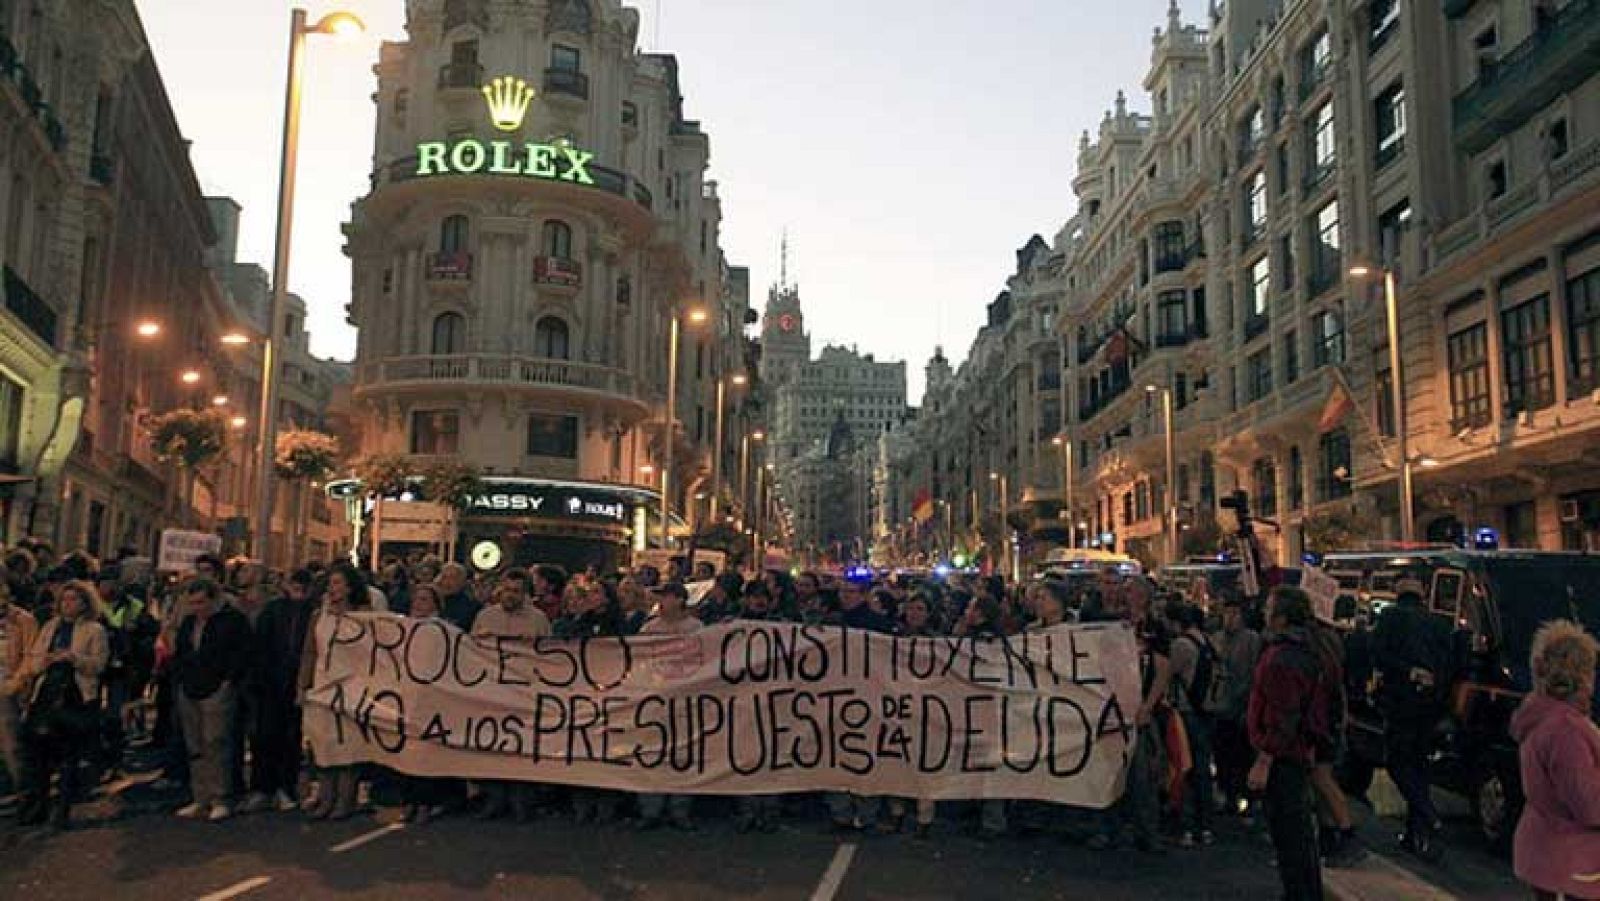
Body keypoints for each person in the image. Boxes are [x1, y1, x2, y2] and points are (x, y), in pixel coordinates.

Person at [1248, 587, 1332, 901]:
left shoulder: (1282, 659)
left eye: (1269, 608)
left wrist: (1264, 759)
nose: (1264, 613)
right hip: (1298, 751)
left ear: (1282, 617)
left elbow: (1284, 715)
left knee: (1290, 836)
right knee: (1297, 836)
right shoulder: (1309, 650)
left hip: (1283, 756)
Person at [1511, 620, 1600, 901]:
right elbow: (1587, 803)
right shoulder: (1567, 730)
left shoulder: (1541, 717)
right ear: (1581, 675)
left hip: (1547, 849)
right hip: (1574, 861)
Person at [1370, 579, 1454, 862]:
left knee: (1397, 762)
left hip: (1400, 701)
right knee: (1419, 765)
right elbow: (1450, 661)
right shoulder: (1438, 623)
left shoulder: (1390, 618)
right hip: (1431, 705)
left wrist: (1407, 672)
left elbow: (1378, 655)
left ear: (1398, 595)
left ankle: (1429, 817)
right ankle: (1415, 833)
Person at [17, 581, 108, 828]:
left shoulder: (94, 630)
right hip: (47, 692)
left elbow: (98, 665)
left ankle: (63, 807)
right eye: (65, 599)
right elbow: (34, 659)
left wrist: (74, 658)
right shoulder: (50, 627)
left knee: (69, 754)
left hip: (76, 695)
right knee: (39, 753)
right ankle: (38, 806)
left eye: (74, 600)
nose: (68, 604)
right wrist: (43, 661)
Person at [169, 576, 252, 822]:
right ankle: (200, 796)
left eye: (201, 602)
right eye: (193, 603)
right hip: (190, 686)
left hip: (217, 687)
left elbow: (241, 653)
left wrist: (229, 681)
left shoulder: (232, 621)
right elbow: (181, 651)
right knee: (195, 744)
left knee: (216, 742)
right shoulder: (188, 623)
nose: (197, 608)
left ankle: (221, 796)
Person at [472, 579, 551, 822]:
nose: (510, 595)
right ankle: (494, 798)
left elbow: (550, 653)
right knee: (493, 745)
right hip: (492, 690)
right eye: (506, 590)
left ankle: (521, 801)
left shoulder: (538, 619)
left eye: (515, 591)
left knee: (522, 746)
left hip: (524, 691)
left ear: (525, 594)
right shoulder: (486, 616)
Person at [298, 564, 370, 820]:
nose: (333, 589)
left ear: (350, 587)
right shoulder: (319, 615)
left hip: (351, 685)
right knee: (322, 744)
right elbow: (309, 651)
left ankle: (345, 799)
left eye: (338, 583)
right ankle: (326, 798)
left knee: (347, 745)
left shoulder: (363, 615)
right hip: (322, 683)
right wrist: (303, 685)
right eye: (330, 584)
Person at [248, 569, 316, 813]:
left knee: (291, 738)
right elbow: (260, 645)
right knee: (265, 736)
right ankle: (264, 787)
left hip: (297, 683)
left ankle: (286, 787)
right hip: (271, 682)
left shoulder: (314, 612)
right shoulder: (274, 610)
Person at [636, 582, 700, 831]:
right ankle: (651, 809)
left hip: (684, 702)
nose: (660, 603)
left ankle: (679, 810)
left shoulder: (696, 629)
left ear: (680, 600)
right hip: (655, 701)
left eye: (666, 598)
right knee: (652, 756)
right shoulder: (649, 629)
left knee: (682, 757)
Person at [1168, 600, 1219, 847]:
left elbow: (1167, 674)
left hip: (1186, 712)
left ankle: (1186, 825)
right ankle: (1206, 824)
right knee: (1202, 769)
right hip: (1207, 711)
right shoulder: (1208, 642)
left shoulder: (1180, 645)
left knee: (1184, 767)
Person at [0, 580, 40, 789]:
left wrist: (15, 684)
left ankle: (23, 790)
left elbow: (31, 656)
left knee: (12, 743)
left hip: (8, 687)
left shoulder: (23, 620)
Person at [435, 563, 481, 632]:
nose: (447, 583)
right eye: (444, 577)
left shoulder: (472, 607)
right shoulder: (433, 602)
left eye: (452, 578)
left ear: (463, 582)